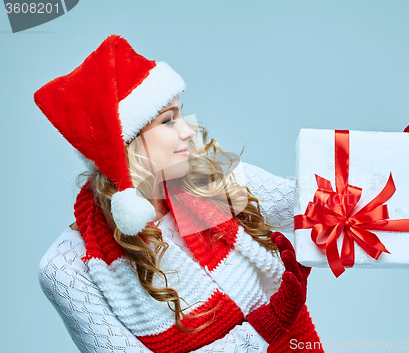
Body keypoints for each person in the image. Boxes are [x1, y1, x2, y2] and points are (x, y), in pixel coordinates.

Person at [36, 35, 324, 353]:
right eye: (168, 120)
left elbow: (318, 204)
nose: (188, 131)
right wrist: (265, 329)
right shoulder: (67, 267)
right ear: (124, 145)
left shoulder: (215, 182)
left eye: (180, 114)